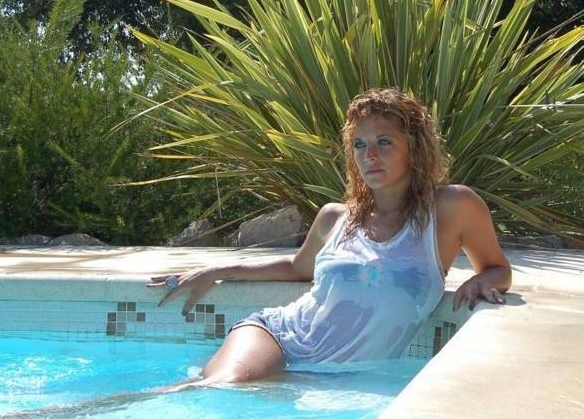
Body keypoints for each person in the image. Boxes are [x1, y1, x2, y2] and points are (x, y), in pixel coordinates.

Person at [149, 88, 512, 388]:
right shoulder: (335, 218)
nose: (370, 156)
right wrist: (216, 270)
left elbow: (498, 269)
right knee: (216, 388)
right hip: (279, 339)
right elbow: (297, 268)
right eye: (359, 145)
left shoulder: (451, 208)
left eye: (384, 142)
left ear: (414, 147)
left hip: (337, 377)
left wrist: (483, 279)